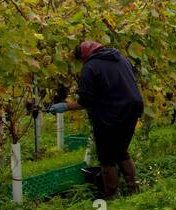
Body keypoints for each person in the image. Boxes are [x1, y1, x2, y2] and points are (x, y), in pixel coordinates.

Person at [47, 41, 145, 199]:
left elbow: (86, 101)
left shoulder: (90, 67)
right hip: (133, 109)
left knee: (106, 157)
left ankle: (111, 196)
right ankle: (134, 191)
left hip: (111, 114)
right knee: (120, 151)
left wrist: (65, 106)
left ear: (84, 56)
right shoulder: (120, 58)